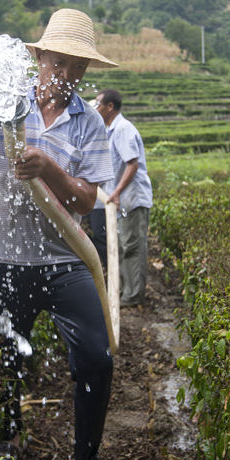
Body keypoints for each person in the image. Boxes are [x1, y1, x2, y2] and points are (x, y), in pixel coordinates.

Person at [0, 9, 123, 460]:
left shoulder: (89, 124)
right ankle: (7, 437)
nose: (67, 75)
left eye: (77, 68)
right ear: (40, 58)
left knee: (97, 358)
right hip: (2, 256)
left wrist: (51, 170)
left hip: (65, 260)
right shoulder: (7, 104)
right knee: (4, 357)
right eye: (59, 63)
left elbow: (85, 200)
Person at [95, 89, 153, 307]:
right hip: (122, 198)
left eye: (99, 104)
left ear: (110, 107)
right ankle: (124, 292)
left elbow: (132, 164)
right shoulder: (112, 130)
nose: (96, 109)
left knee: (132, 246)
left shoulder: (123, 129)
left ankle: (133, 295)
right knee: (121, 245)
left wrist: (116, 192)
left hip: (131, 198)